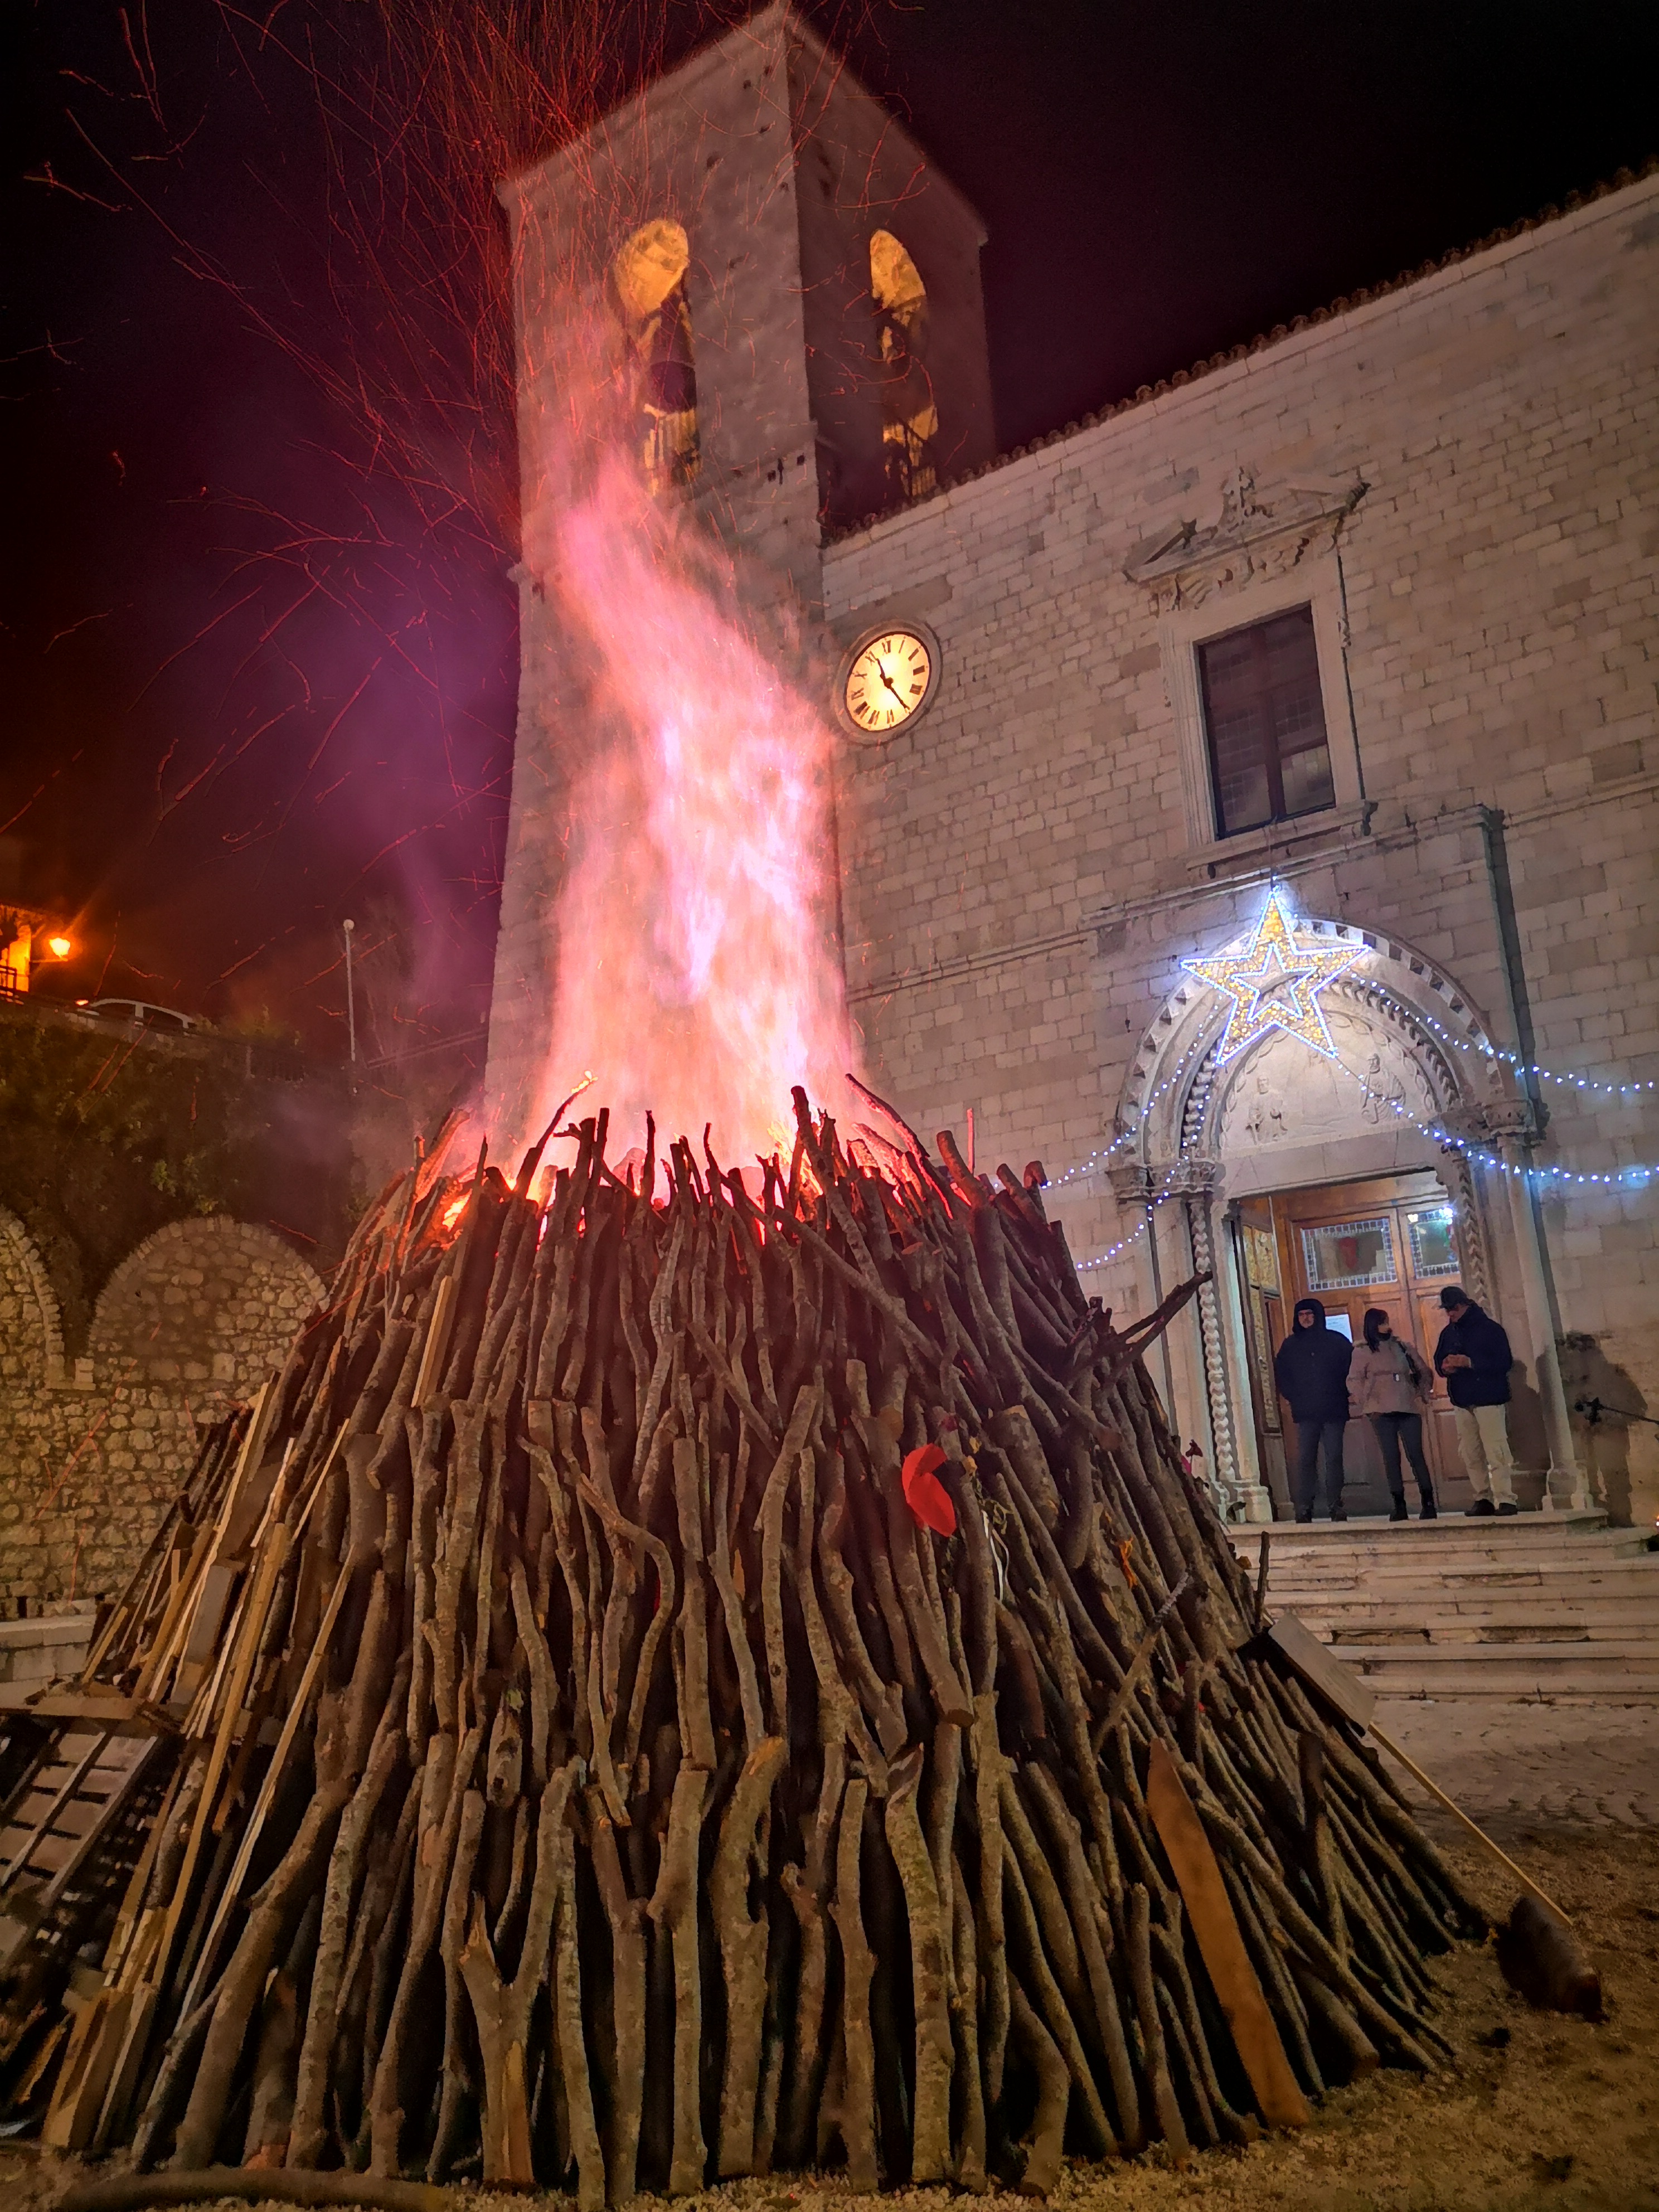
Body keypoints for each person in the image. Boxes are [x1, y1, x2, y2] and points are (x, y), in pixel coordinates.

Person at [1433, 1286, 1519, 1516]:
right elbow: (1439, 1360)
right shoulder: (1448, 1333)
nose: (1449, 1314)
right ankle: (1483, 1498)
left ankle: (1506, 1498)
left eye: (1453, 1309)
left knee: (1496, 1449)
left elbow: (1504, 1362)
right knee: (1470, 1452)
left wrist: (1470, 1362)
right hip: (1462, 1400)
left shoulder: (1490, 1330)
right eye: (1447, 1310)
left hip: (1489, 1398)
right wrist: (1445, 1367)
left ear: (1464, 1305)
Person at [1348, 1308, 1437, 1521]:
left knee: (1416, 1455)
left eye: (1386, 1321)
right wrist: (1367, 1403)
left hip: (1407, 1407)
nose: (1386, 1326)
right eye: (1381, 1322)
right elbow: (1353, 1380)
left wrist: (1422, 1393)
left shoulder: (1403, 1347)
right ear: (1372, 1325)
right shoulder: (1362, 1351)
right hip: (1380, 1411)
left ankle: (1429, 1503)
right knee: (1391, 1458)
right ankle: (1399, 1506)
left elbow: (1424, 1370)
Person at [1274, 1297, 1352, 1522]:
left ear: (1318, 1315)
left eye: (1310, 1314)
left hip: (1334, 1410)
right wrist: (1293, 1397)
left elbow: (1351, 1371)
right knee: (1306, 1460)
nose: (1306, 1319)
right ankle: (1305, 1508)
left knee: (1334, 1459)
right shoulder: (1290, 1346)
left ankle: (1335, 1506)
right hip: (1306, 1412)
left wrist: (1343, 1393)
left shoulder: (1337, 1342)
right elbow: (1282, 1376)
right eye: (1302, 1315)